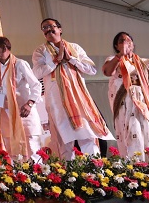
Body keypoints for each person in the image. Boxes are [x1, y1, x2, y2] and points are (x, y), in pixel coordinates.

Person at [32, 18, 112, 158]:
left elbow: (92, 69)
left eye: (51, 26)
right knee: (64, 140)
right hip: (57, 101)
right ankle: (69, 176)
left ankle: (95, 172)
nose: (48, 30)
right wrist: (56, 60)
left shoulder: (75, 48)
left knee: (87, 136)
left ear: (60, 29)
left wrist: (71, 59)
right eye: (44, 28)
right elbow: (37, 73)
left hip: (79, 99)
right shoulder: (41, 50)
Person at [102, 32, 149, 157]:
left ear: (133, 45)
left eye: (129, 40)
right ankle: (136, 165)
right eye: (122, 41)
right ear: (117, 46)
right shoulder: (113, 60)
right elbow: (108, 72)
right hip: (125, 100)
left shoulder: (143, 63)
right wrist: (120, 55)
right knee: (132, 129)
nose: (126, 42)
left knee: (147, 130)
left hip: (145, 101)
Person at [0, 36, 42, 160]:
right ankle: (18, 177)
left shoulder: (20, 64)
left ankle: (37, 177)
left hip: (24, 113)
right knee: (11, 149)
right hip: (5, 114)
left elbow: (36, 85)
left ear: (4, 47)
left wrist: (30, 104)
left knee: (31, 148)